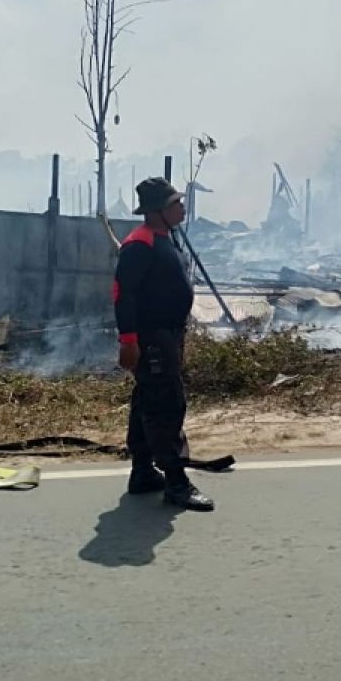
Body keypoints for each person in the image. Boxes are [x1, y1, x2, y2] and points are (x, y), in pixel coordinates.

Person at [113, 177, 214, 511]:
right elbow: (123, 295)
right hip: (152, 338)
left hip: (167, 335)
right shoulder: (139, 244)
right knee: (167, 406)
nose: (182, 207)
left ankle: (142, 472)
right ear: (158, 211)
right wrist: (129, 341)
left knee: (147, 402)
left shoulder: (164, 238)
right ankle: (176, 482)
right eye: (176, 204)